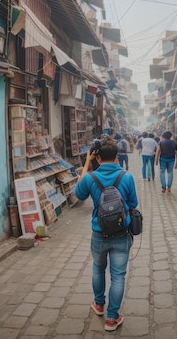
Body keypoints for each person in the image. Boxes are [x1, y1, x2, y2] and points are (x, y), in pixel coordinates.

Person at [75, 135, 138, 331]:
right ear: (117, 156)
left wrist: (86, 163)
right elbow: (134, 203)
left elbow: (78, 195)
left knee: (98, 268)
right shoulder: (126, 176)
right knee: (118, 276)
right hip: (121, 233)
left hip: (98, 234)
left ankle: (99, 304)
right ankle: (112, 318)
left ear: (98, 158)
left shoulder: (91, 177)